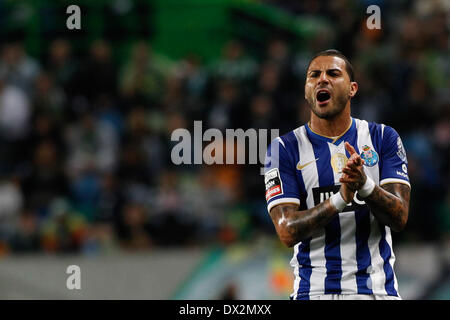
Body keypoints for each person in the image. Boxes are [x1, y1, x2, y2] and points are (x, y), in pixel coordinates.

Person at [264, 49, 410, 300]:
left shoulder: (384, 138)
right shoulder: (283, 149)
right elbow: (286, 231)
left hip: (375, 292)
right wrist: (340, 199)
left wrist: (364, 185)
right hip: (313, 293)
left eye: (333, 73)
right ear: (306, 90)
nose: (322, 79)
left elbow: (399, 217)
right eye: (314, 75)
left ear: (352, 88)